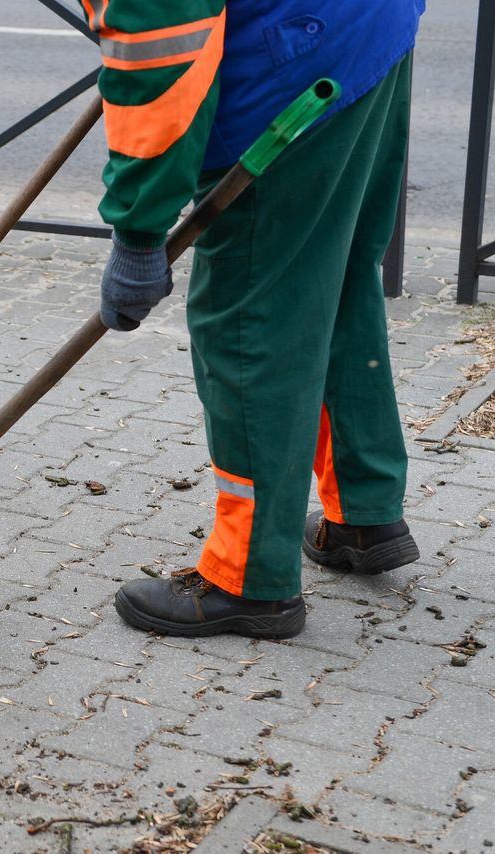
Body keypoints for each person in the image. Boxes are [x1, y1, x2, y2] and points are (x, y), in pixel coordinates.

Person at [80, 0, 427, 637]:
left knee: (250, 315)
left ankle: (247, 579)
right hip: (369, 28)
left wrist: (138, 232)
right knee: (332, 278)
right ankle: (361, 509)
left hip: (297, 66)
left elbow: (162, 51)